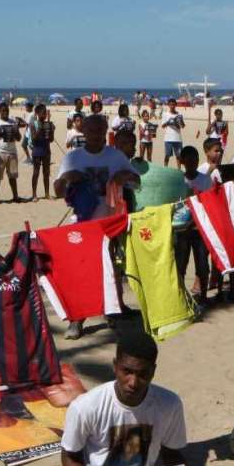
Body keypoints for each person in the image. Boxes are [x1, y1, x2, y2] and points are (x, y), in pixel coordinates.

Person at [43, 333, 219, 466]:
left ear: (153, 371)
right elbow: (70, 457)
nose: (133, 382)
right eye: (127, 371)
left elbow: (171, 453)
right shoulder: (85, 406)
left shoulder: (169, 403)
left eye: (143, 374)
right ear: (115, 366)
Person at [53, 114, 139, 339]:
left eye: (100, 132)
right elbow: (58, 191)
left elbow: (137, 182)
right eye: (92, 132)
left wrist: (125, 174)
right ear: (84, 132)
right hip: (82, 225)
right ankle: (77, 320)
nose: (96, 137)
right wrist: (66, 179)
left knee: (111, 272)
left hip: (110, 224)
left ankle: (112, 314)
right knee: (81, 273)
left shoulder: (115, 156)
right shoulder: (73, 158)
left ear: (105, 133)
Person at [177, 146, 212, 307]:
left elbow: (210, 205)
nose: (192, 163)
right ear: (182, 161)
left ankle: (203, 295)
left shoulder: (205, 180)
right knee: (181, 264)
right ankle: (180, 296)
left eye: (195, 159)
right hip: (183, 230)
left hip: (200, 229)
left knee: (202, 264)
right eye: (188, 160)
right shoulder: (178, 180)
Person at [0, 101, 22, 203]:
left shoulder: (13, 122)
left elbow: (19, 138)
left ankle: (15, 196)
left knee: (13, 176)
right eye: (3, 111)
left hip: (12, 152)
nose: (5, 113)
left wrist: (16, 130)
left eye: (7, 111)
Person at [30, 103, 56, 201]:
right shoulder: (33, 124)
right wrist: (41, 127)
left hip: (46, 150)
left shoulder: (49, 124)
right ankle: (34, 194)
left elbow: (51, 139)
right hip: (37, 150)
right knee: (36, 173)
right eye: (42, 113)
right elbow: (34, 139)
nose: (44, 115)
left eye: (45, 113)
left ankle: (47, 193)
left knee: (46, 173)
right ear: (37, 113)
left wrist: (51, 130)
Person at [160, 98, 184, 167]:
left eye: (173, 105)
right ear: (168, 105)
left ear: (176, 105)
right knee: (167, 155)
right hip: (168, 138)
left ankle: (179, 170)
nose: (172, 106)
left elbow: (182, 126)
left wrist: (178, 122)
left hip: (178, 138)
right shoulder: (165, 114)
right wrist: (168, 122)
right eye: (170, 105)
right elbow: (162, 126)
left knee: (179, 156)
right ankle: (165, 168)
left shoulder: (179, 114)